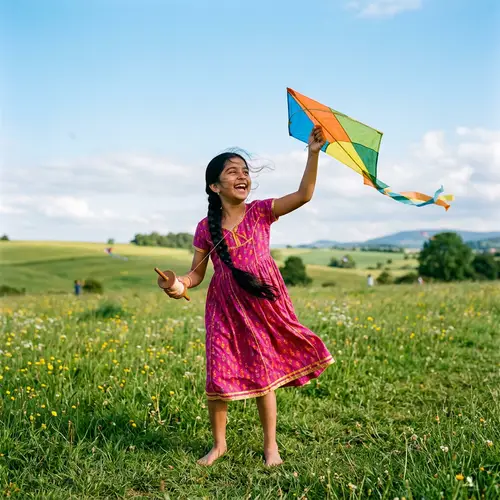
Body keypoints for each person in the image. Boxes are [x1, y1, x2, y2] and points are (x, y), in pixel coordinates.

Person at [158, 125, 334, 468]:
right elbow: (196, 274)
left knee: (263, 373)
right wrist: (176, 284)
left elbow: (304, 194)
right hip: (223, 307)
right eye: (232, 171)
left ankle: (271, 447)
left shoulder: (261, 211)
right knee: (217, 375)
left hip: (262, 303)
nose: (242, 176)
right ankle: (219, 445)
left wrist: (313, 153)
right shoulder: (205, 227)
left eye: (245, 171)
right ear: (215, 186)